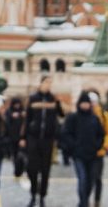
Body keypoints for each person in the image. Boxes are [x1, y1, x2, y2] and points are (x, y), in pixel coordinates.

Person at [20, 75, 64, 207]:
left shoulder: (53, 98)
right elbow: (27, 119)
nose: (48, 85)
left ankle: (42, 196)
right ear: (41, 83)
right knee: (32, 168)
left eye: (50, 83)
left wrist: (58, 103)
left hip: (48, 139)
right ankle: (33, 194)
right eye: (46, 82)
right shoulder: (33, 98)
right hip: (33, 137)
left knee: (45, 169)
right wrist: (23, 137)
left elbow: (61, 114)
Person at [61, 92, 105, 207]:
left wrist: (97, 146)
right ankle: (84, 203)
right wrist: (73, 146)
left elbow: (101, 134)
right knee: (82, 179)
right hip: (78, 155)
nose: (85, 105)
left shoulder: (94, 118)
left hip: (93, 155)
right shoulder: (73, 118)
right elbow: (66, 134)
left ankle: (83, 202)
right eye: (83, 103)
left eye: (87, 103)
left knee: (91, 181)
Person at [88, 90, 108, 207]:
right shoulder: (84, 114)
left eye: (93, 102)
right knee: (88, 177)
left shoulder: (103, 115)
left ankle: (97, 200)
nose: (92, 104)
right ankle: (85, 198)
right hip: (86, 151)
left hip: (99, 151)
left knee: (97, 177)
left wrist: (104, 145)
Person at [5, 97, 27, 178]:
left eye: (18, 104)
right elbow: (6, 123)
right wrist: (11, 116)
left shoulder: (23, 111)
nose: (17, 106)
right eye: (15, 104)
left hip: (22, 137)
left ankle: (22, 169)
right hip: (12, 137)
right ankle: (17, 170)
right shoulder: (9, 111)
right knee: (15, 155)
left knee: (22, 154)